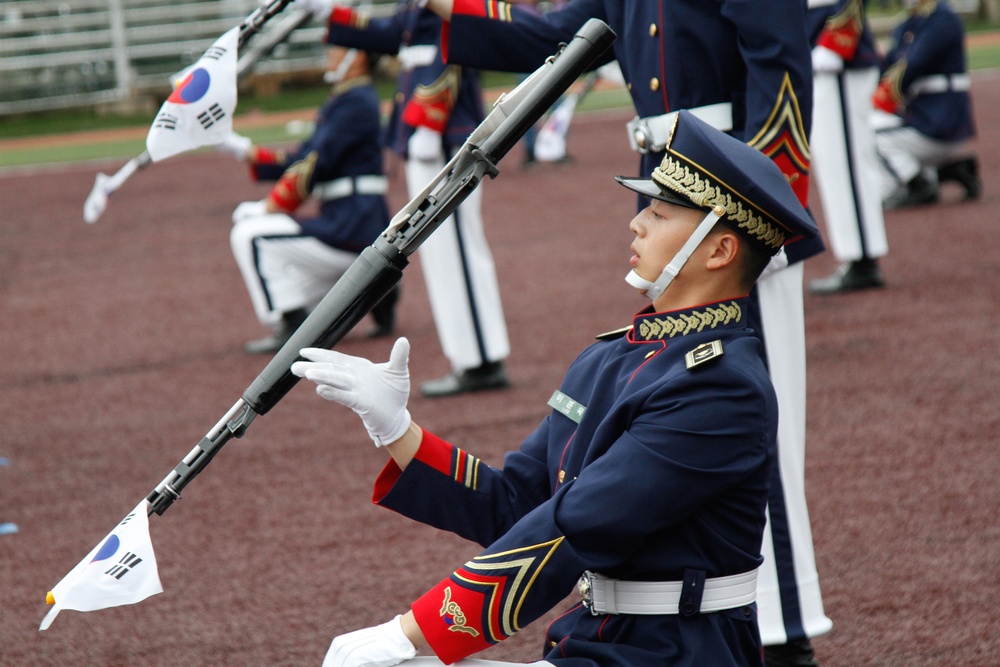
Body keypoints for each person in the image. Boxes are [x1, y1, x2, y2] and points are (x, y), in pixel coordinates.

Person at [291, 110, 821, 667]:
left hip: (678, 653)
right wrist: (398, 430)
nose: (637, 224)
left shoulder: (720, 388)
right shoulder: (611, 357)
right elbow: (517, 505)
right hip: (598, 643)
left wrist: (412, 630)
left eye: (660, 214)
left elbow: (581, 521)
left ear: (718, 252)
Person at [419, 2, 832, 664]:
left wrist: (762, 224)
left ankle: (784, 639)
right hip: (673, 194)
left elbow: (779, 67)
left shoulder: (739, 222)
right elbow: (553, 36)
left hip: (733, 204)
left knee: (743, 428)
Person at [301, 0, 512, 397]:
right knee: (443, 254)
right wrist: (329, 12)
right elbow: (391, 34)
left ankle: (482, 358)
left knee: (459, 252)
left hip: (444, 136)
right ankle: (469, 357)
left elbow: (450, 54)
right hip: (428, 136)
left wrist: (429, 123)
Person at [217, 45, 397, 354]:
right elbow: (302, 158)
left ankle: (289, 325)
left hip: (352, 226)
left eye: (338, 49)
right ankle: (374, 294)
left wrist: (269, 207)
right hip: (354, 223)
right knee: (307, 307)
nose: (329, 54)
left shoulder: (354, 102)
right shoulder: (349, 100)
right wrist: (240, 149)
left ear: (360, 57)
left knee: (251, 236)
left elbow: (314, 165)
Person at [807, 0, 889, 294]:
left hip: (838, 55)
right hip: (817, 44)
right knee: (834, 162)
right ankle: (857, 255)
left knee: (846, 163)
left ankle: (863, 258)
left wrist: (836, 44)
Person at [872, 0, 980, 210]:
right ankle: (952, 170)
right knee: (876, 125)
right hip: (929, 115)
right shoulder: (912, 21)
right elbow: (888, 64)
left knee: (873, 139)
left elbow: (912, 66)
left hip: (941, 120)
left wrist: (878, 96)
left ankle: (918, 185)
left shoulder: (941, 18)